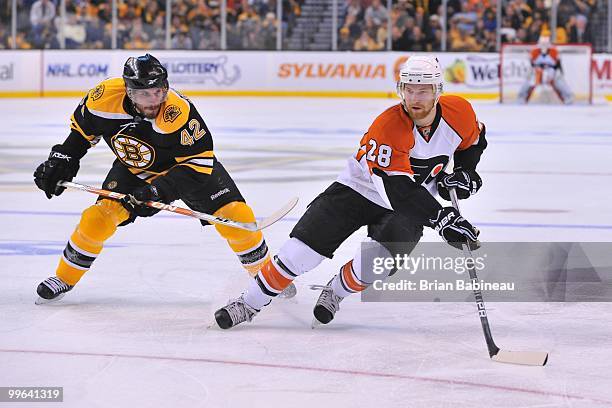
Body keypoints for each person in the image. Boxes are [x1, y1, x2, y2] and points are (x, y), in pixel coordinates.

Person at [213, 56, 487, 329]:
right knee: (299, 254)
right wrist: (442, 218)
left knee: (374, 265)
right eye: (409, 89)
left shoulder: (460, 112)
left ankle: (335, 292)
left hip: (411, 205)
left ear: (438, 90)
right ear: (400, 89)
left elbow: (472, 142)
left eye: (423, 90)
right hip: (358, 191)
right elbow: (397, 190)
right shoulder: (389, 125)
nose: (415, 97)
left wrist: (465, 172)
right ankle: (248, 303)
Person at [33, 54, 295, 304]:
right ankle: (64, 278)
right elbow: (80, 135)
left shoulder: (177, 110)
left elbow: (199, 164)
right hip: (134, 168)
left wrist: (156, 191)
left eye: (158, 91)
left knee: (238, 217)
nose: (154, 100)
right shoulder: (102, 98)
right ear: (128, 91)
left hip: (185, 169)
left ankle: (267, 277)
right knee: (97, 219)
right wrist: (62, 161)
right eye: (144, 94)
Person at [518, 36, 574, 104]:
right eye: (542, 44)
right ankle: (522, 97)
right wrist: (537, 70)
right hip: (538, 71)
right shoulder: (534, 51)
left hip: (550, 71)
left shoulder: (554, 51)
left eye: (545, 44)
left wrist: (557, 72)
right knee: (529, 79)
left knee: (559, 79)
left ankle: (568, 96)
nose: (544, 46)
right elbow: (531, 64)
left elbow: (557, 64)